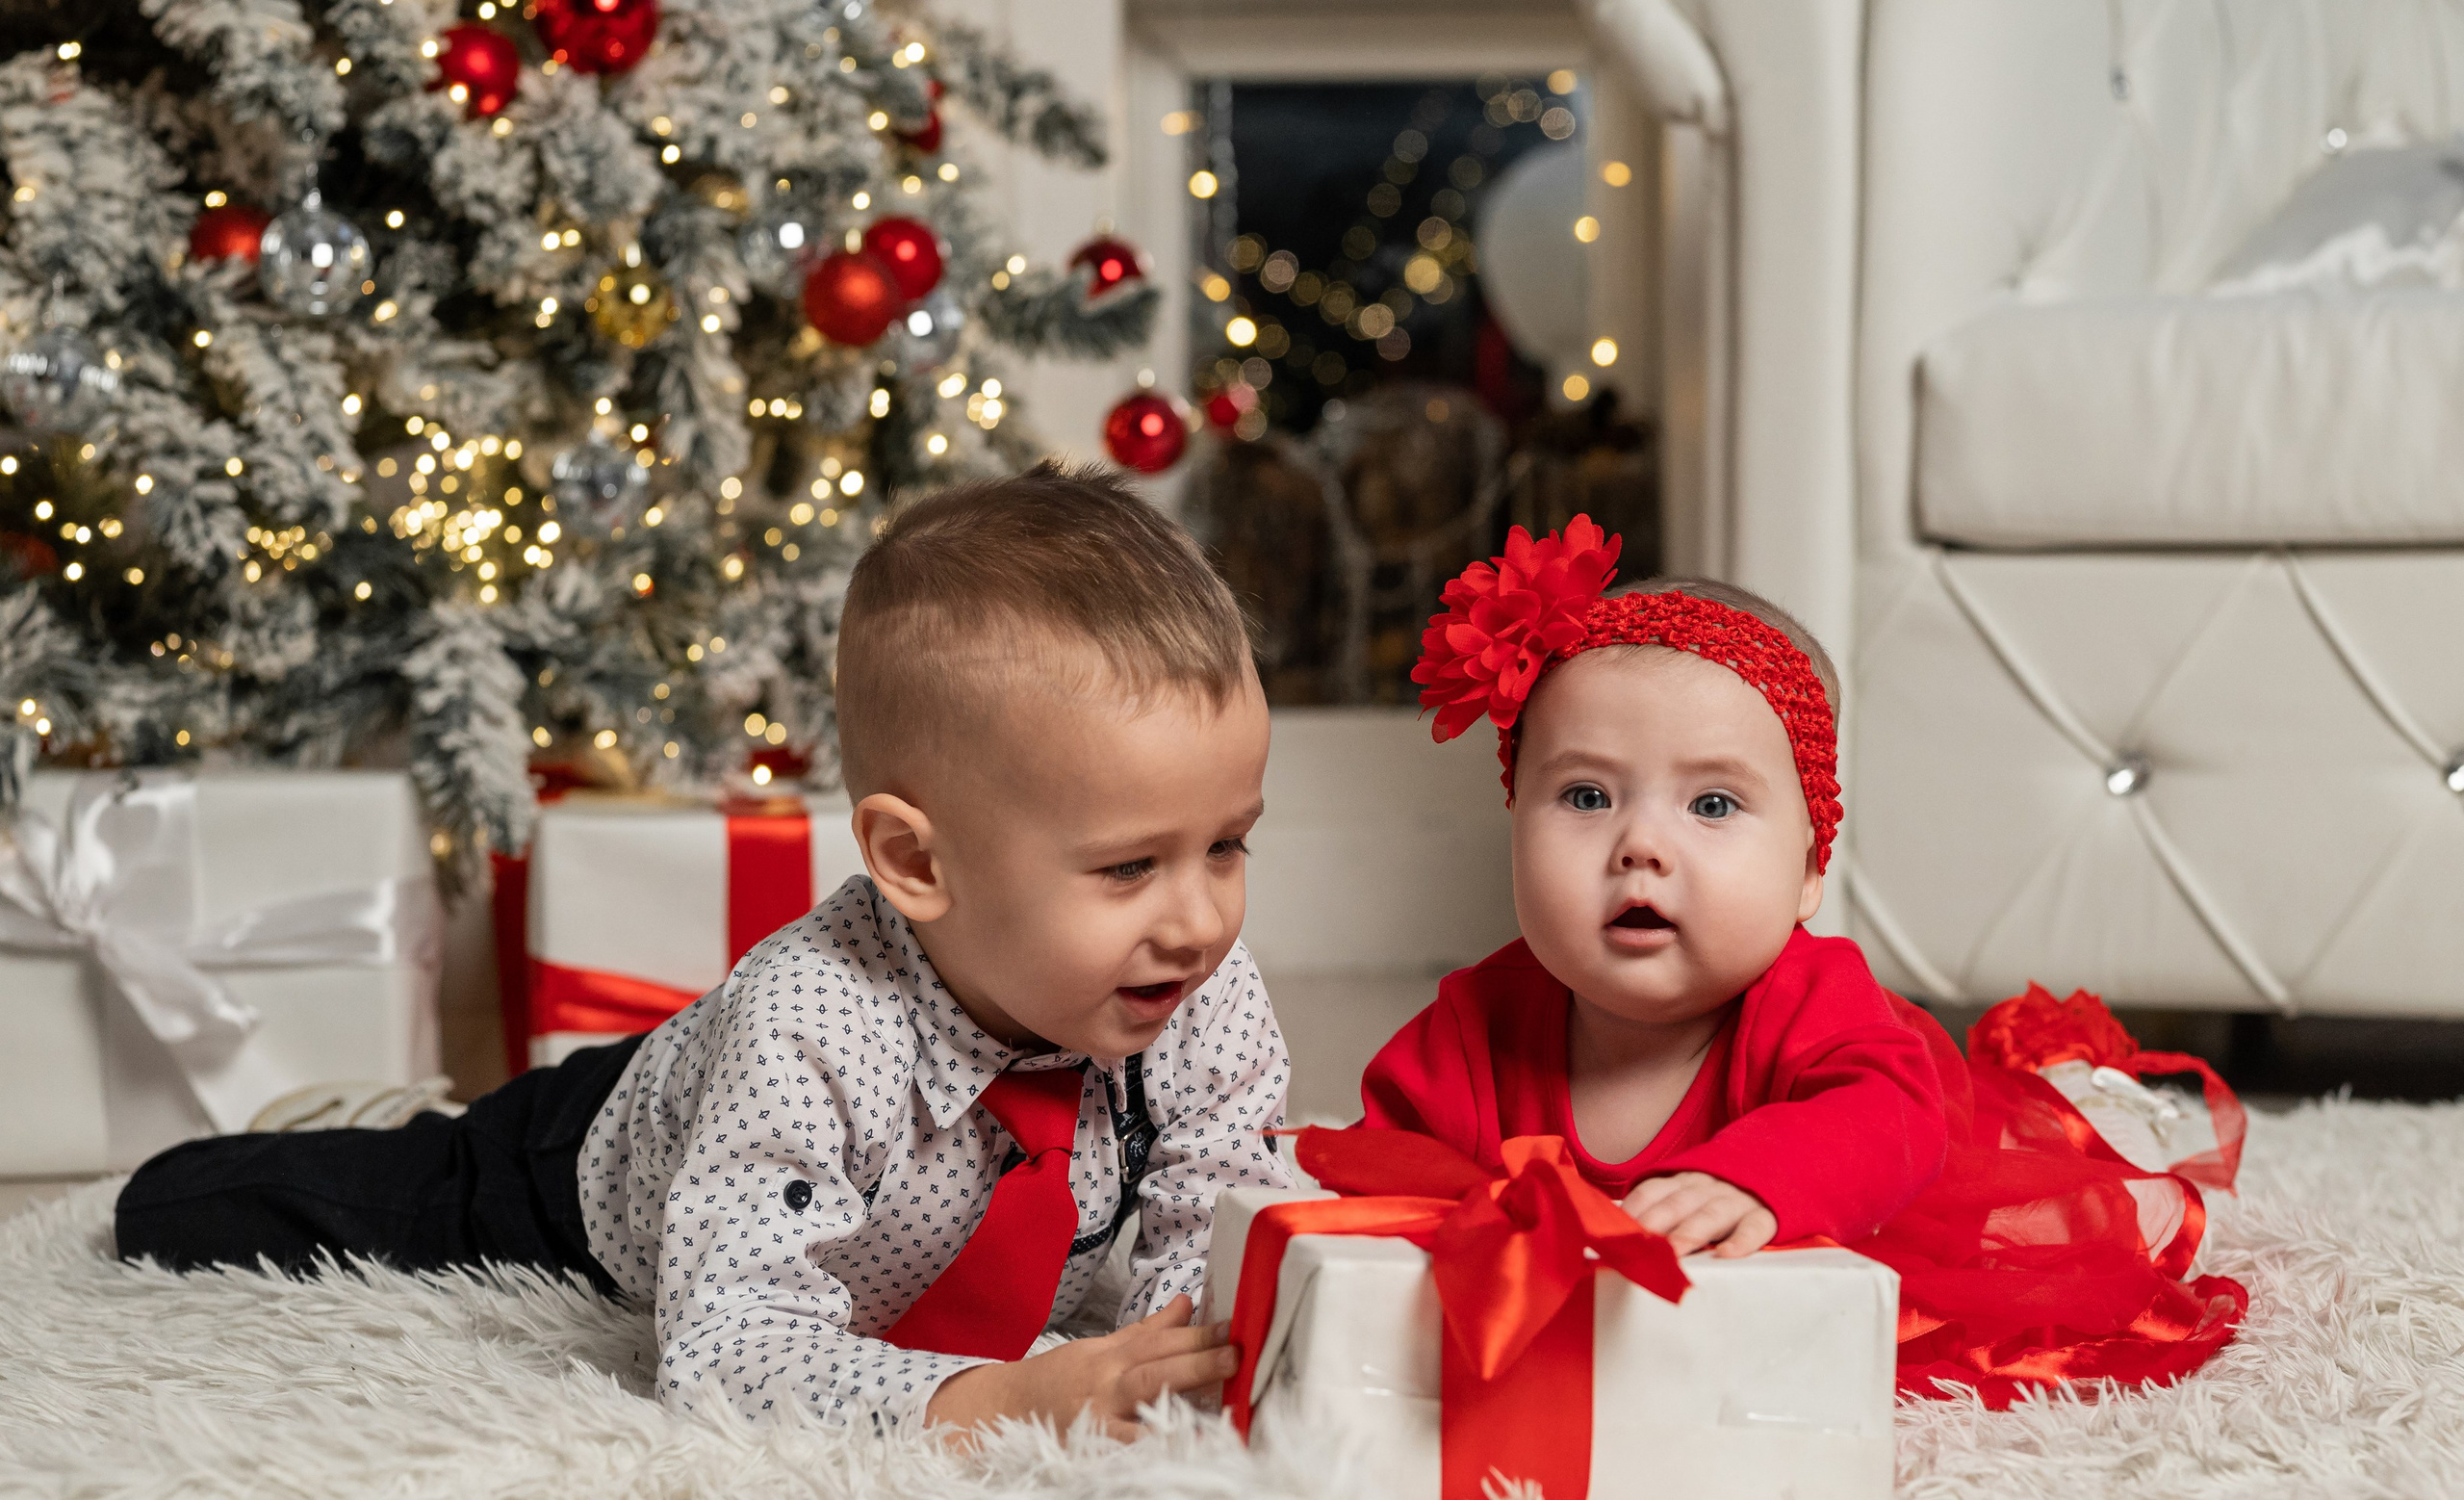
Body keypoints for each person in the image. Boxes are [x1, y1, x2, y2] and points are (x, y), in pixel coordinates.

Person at [116, 462, 1294, 1435]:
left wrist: (1188, 1369)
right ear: (919, 862)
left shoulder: (1198, 996)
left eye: (1227, 844)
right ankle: (231, 1165)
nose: (1196, 920)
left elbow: (1218, 1230)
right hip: (574, 1161)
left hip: (756, 1106)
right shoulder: (815, 1025)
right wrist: (1000, 1397)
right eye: (1129, 866)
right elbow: (725, 1351)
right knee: (294, 1206)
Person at [1359, 516, 2246, 1403]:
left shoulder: (1812, 997)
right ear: (1514, 828)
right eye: (1587, 794)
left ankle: (2086, 1087)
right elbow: (1382, 1168)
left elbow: (1888, 1111)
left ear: (1810, 871)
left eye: (1712, 804)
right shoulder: (1479, 1022)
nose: (1641, 845)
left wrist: (1762, 1178)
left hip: (1867, 1211)